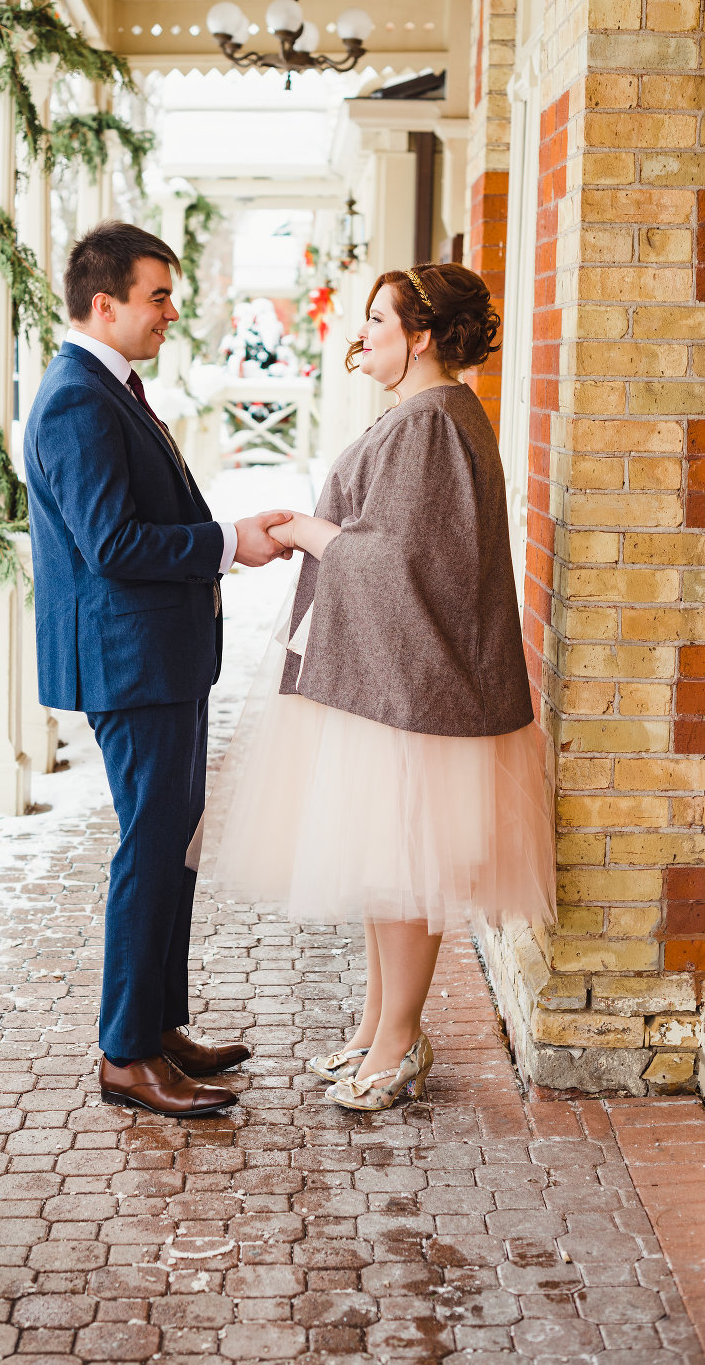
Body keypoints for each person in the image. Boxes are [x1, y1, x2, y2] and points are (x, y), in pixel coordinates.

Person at [197, 262, 556, 1113]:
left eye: (377, 321)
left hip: (412, 688)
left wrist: (311, 530)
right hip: (392, 678)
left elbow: (405, 563)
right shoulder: (422, 416)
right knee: (381, 862)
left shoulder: (431, 423)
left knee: (401, 866)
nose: (361, 335)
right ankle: (374, 1027)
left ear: (421, 336)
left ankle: (398, 1041)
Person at [23, 221, 291, 1119]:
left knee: (175, 839)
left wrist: (227, 541)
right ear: (106, 305)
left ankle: (160, 1026)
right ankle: (126, 1053)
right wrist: (228, 544)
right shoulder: (76, 399)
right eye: (158, 297)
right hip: (130, 663)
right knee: (150, 845)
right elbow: (112, 543)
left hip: (161, 657)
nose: (171, 313)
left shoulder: (114, 389)